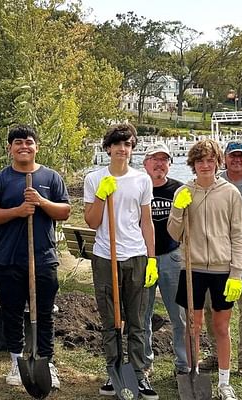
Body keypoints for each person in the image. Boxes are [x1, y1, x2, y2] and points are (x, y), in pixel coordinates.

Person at [0, 124, 70, 389]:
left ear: (36, 147)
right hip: (7, 259)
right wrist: (17, 211)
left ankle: (46, 361)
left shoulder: (51, 177)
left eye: (28, 142)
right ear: (10, 148)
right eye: (17, 142)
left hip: (42, 258)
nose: (23, 146)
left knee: (44, 314)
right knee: (12, 312)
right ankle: (17, 361)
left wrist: (41, 202)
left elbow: (64, 211)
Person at [83, 123, 158, 399]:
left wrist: (151, 258)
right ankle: (113, 371)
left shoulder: (142, 180)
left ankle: (138, 375)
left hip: (135, 256)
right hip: (105, 256)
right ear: (108, 148)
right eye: (117, 144)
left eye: (127, 145)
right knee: (111, 319)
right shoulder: (94, 179)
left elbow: (147, 223)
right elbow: (91, 222)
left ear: (132, 149)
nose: (122, 149)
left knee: (137, 319)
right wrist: (102, 195)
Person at [167, 138, 242, 400]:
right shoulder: (183, 192)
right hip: (192, 268)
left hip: (223, 269)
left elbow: (238, 234)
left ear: (217, 162)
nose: (205, 165)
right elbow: (174, 233)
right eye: (200, 161)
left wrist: (236, 272)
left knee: (222, 327)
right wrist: (179, 210)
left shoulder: (230, 193)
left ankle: (224, 382)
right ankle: (194, 373)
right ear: (193, 164)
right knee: (194, 326)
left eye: (210, 160)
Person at [202, 140, 242, 376]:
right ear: (225, 158)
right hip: (217, 254)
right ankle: (217, 355)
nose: (237, 160)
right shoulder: (214, 180)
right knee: (212, 307)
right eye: (232, 156)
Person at [140, 143, 188, 377]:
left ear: (169, 164)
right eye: (154, 159)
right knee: (143, 314)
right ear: (145, 163)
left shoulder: (180, 190)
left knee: (179, 314)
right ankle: (145, 362)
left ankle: (183, 363)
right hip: (143, 258)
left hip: (172, 257)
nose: (159, 163)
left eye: (164, 159)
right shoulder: (138, 187)